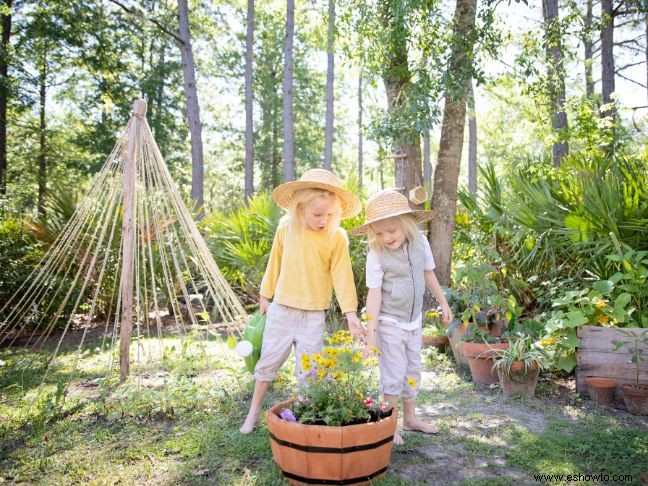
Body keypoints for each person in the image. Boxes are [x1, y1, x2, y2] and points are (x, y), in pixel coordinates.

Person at [240, 169, 363, 434]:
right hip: (282, 309)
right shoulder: (286, 228)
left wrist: (351, 314)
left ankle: (307, 420)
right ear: (300, 210)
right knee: (268, 363)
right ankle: (252, 414)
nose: (324, 220)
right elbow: (275, 262)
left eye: (330, 215)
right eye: (317, 215)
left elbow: (342, 276)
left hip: (313, 315)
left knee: (309, 372)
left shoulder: (336, 237)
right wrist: (265, 295)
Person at [350, 189, 452, 445]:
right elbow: (373, 296)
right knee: (393, 372)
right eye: (380, 233)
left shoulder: (421, 243)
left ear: (406, 224)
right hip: (389, 321)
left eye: (392, 231)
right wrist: (371, 335)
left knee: (413, 369)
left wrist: (443, 302)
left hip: (414, 320)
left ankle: (410, 418)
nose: (386, 237)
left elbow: (429, 274)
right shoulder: (376, 254)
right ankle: (389, 424)